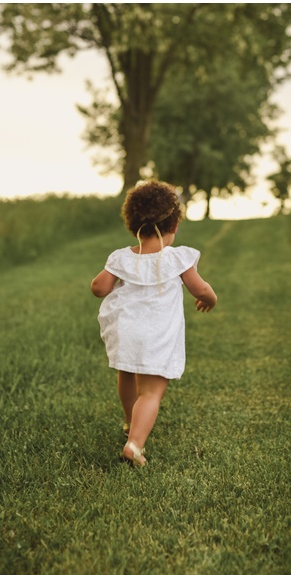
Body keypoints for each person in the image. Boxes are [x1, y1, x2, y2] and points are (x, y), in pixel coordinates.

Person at [90, 180, 217, 467]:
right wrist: (211, 299)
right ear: (173, 225)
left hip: (125, 332)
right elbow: (201, 289)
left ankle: (128, 420)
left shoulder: (120, 258)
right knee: (151, 392)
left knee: (126, 375)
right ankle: (134, 444)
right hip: (157, 335)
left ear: (134, 224)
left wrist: (106, 282)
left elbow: (99, 288)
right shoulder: (178, 259)